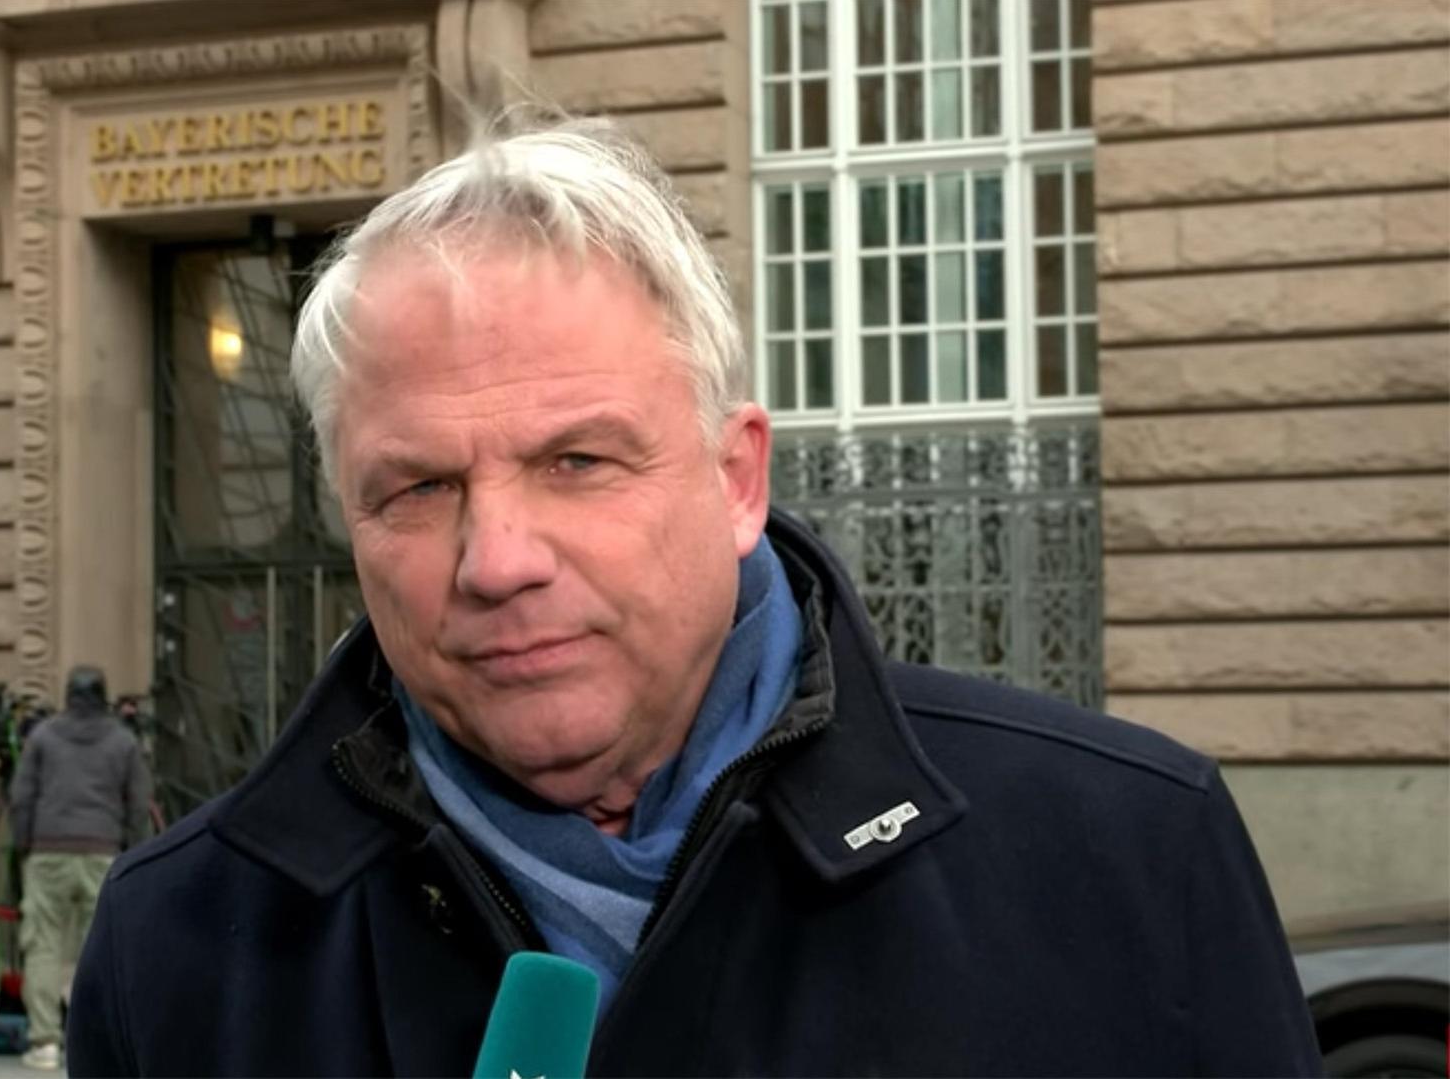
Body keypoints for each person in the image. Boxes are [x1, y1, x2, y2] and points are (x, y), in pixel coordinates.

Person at [68, 116, 1323, 1076]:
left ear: (736, 480)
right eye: (418, 488)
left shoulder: (1127, 857)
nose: (496, 559)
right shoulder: (174, 951)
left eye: (578, 461)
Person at [9, 665, 153, 1071]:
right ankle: (99, 1040)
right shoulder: (122, 740)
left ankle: (44, 1040)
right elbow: (138, 803)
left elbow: (22, 796)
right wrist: (133, 853)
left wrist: (23, 845)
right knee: (103, 950)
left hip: (48, 848)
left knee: (42, 944)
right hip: (102, 848)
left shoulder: (43, 736)